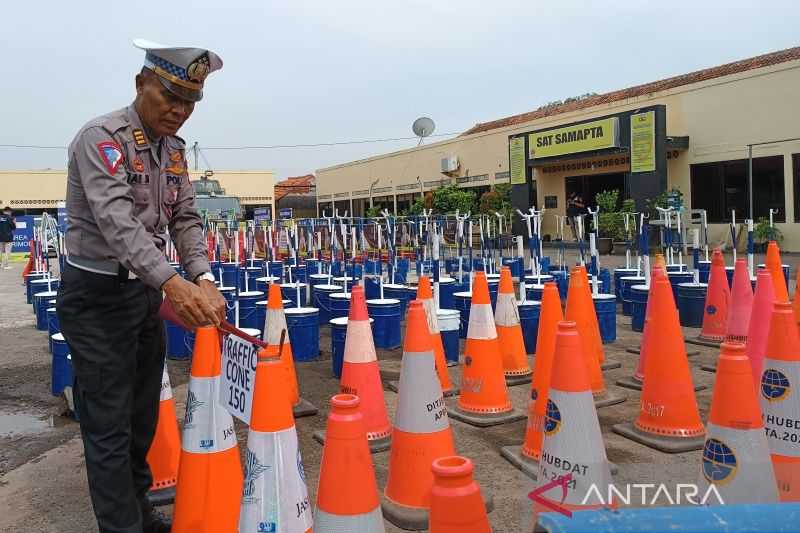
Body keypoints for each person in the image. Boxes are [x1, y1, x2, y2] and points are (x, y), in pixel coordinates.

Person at [57, 39, 226, 533]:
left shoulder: (172, 151)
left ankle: (139, 513)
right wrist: (175, 284)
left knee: (141, 417)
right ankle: (122, 526)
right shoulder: (101, 138)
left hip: (143, 293)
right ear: (141, 84)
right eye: (170, 96)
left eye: (190, 102)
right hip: (96, 296)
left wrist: (204, 277)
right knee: (108, 424)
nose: (178, 110)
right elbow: (118, 223)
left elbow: (187, 217)